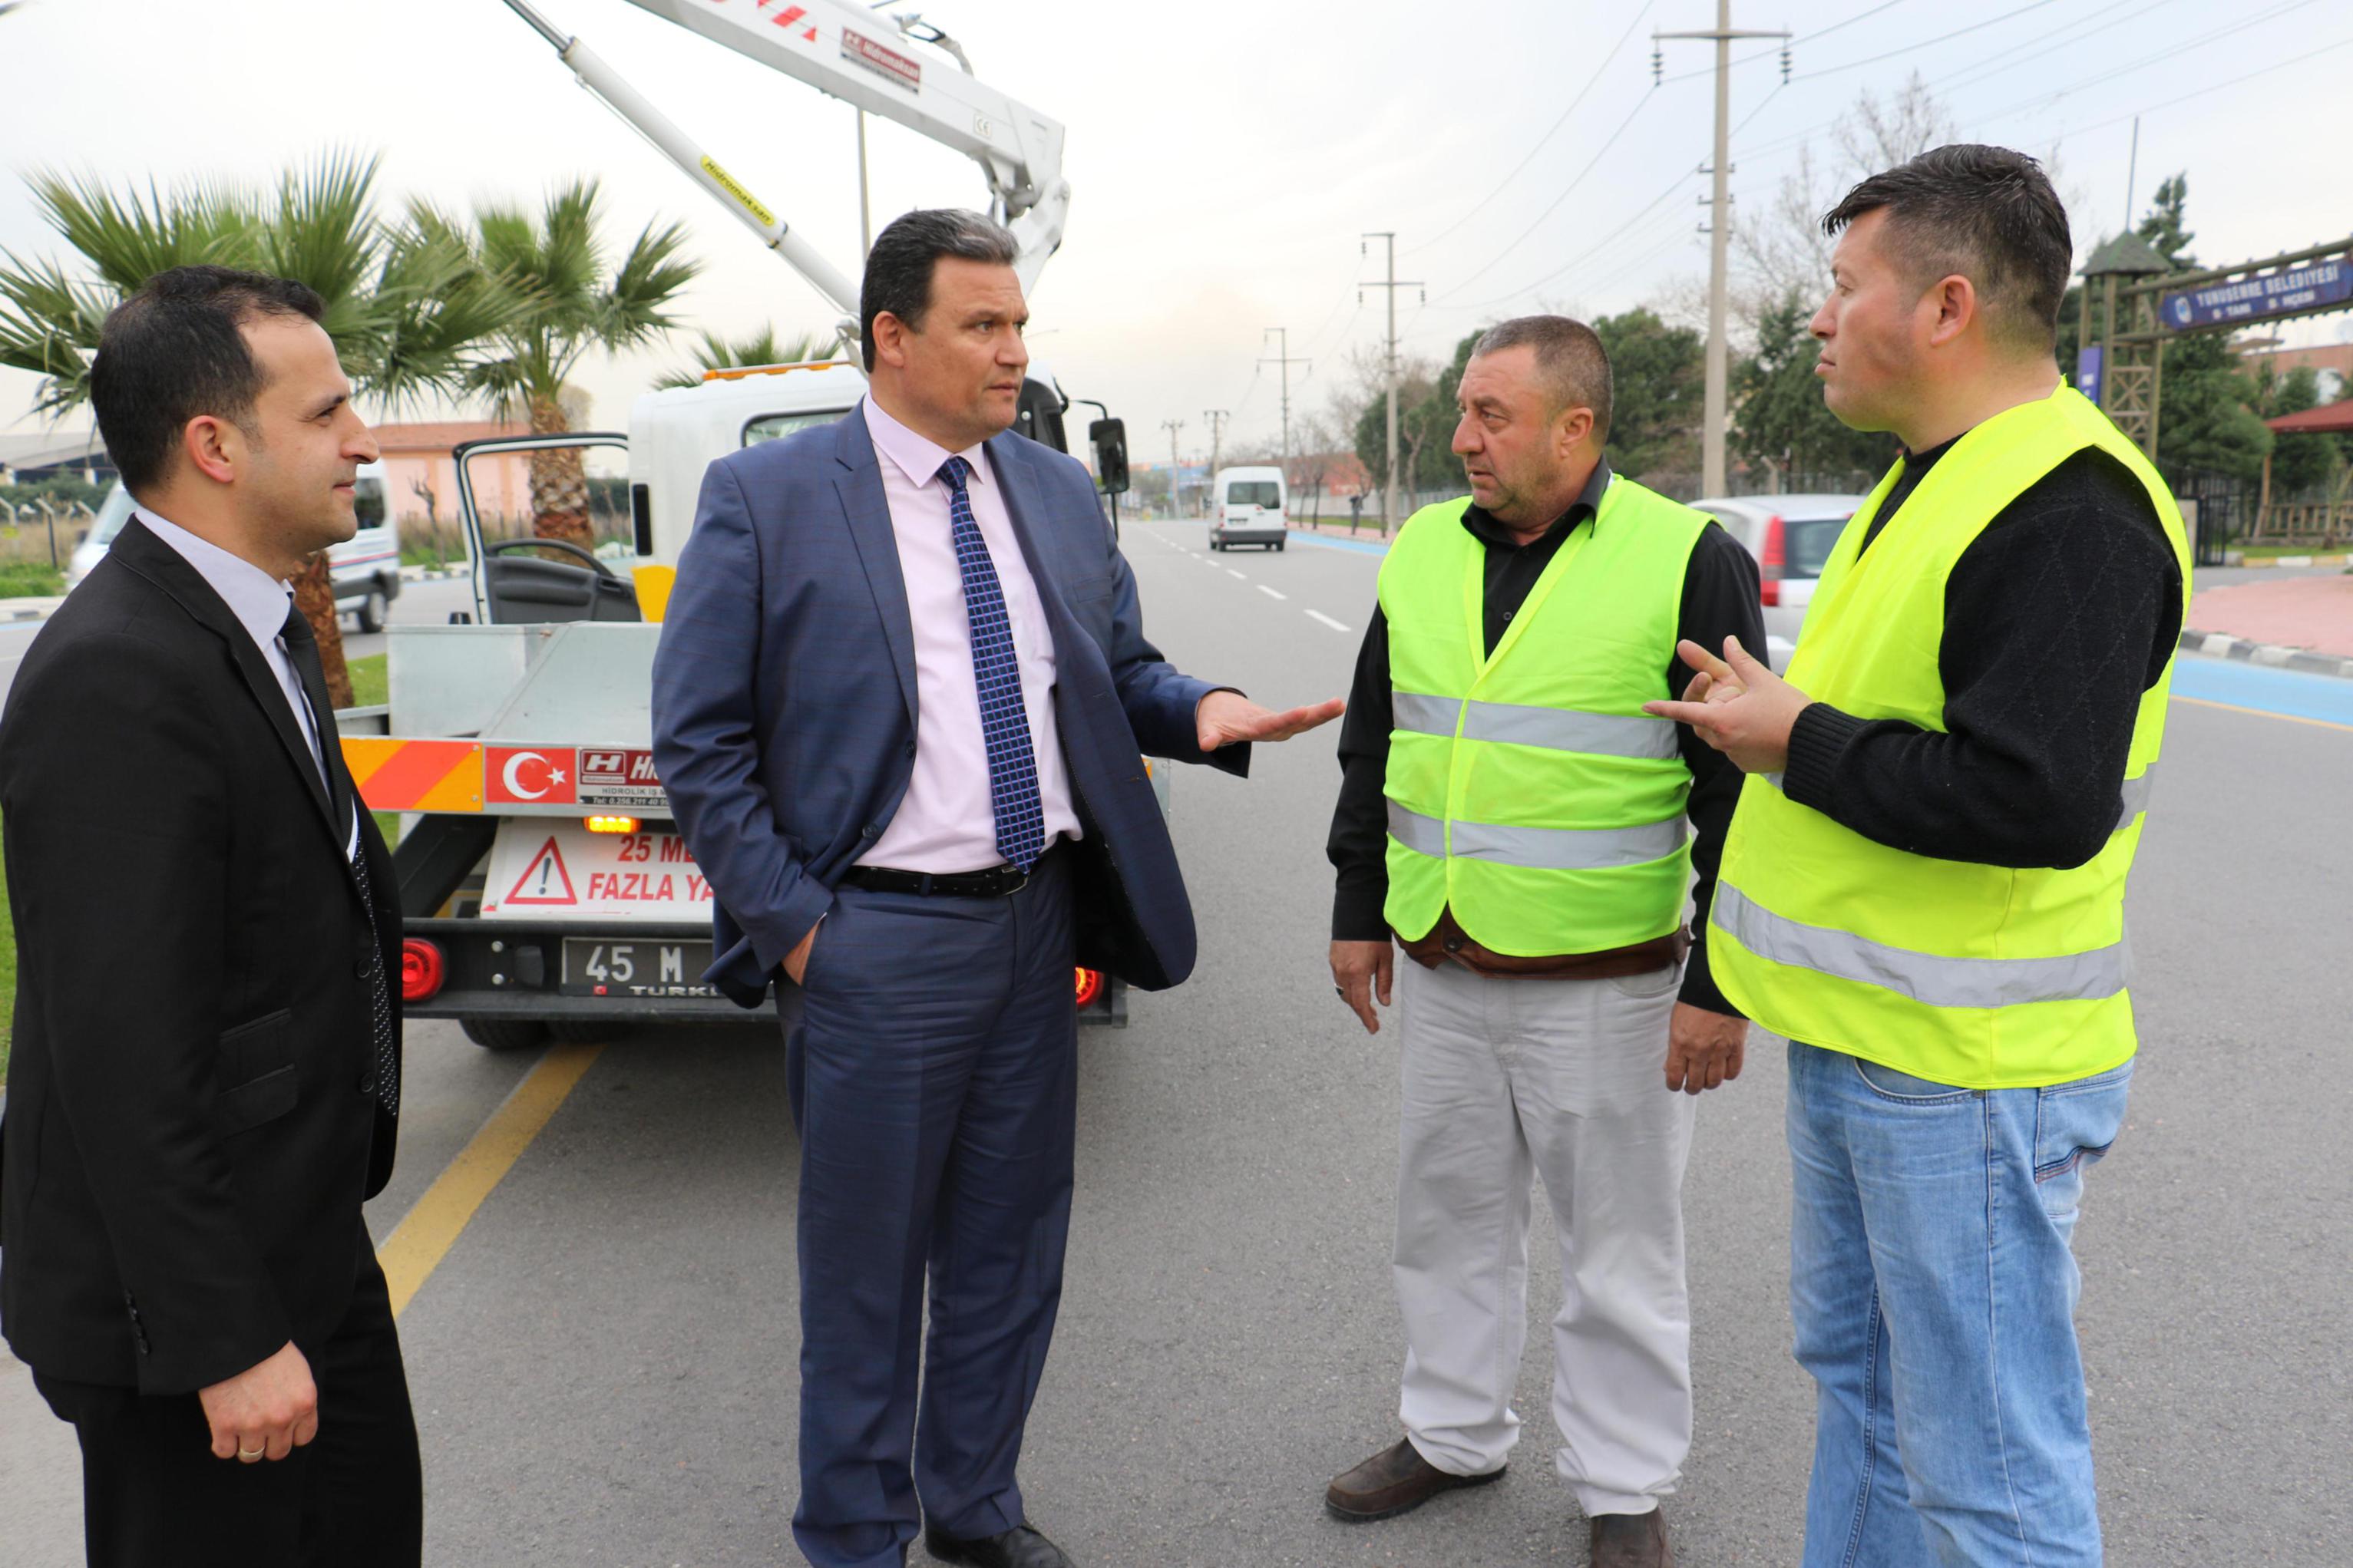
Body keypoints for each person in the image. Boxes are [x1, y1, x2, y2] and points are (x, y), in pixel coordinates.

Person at [651, 208, 1340, 1568]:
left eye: (1020, 323)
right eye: (983, 324)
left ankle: (972, 1507)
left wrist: (1200, 709)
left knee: (1010, 1251)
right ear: (892, 338)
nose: (1014, 351)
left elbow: (1115, 667)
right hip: (872, 942)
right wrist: (800, 932)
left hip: (1034, 923)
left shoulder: (1053, 489)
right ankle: (856, 1536)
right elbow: (700, 741)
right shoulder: (768, 498)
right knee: (865, 1276)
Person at [1646, 146, 2187, 1567]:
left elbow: (2038, 801)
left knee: (1987, 1474)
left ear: (1946, 307)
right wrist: (1781, 730)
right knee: (1873, 1401)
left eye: (1841, 286)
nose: (1815, 318)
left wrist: (1794, 737)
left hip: (1967, 1071)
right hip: (1871, 1040)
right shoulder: (1931, 478)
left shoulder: (2068, 508)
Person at [1321, 315, 1766, 1568]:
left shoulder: (1686, 560)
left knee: (1618, 1248)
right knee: (1445, 1221)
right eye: (1462, 412)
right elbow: (1375, 740)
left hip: (1610, 985)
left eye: (1491, 416)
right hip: (1444, 961)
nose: (1463, 438)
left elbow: (1739, 797)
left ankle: (1622, 1486)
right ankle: (1452, 1433)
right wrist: (1358, 909)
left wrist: (1719, 982)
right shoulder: (1419, 548)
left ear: (1575, 428)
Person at [0, 266, 418, 1566]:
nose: (361, 442)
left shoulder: (253, 623)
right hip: (193, 1322)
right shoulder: (118, 675)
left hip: (303, 1240)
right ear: (215, 446)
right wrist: (224, 1339)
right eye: (327, 413)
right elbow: (118, 1055)